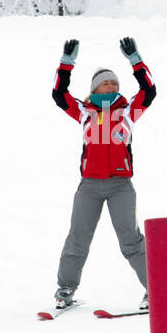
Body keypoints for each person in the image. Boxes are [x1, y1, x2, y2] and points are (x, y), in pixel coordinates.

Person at [51, 37, 155, 310]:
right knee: (77, 238)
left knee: (131, 241)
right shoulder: (84, 111)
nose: (112, 86)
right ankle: (65, 288)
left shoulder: (129, 109)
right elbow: (59, 95)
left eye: (115, 83)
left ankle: (154, 288)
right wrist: (66, 63)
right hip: (89, 186)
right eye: (106, 83)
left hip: (121, 185)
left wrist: (135, 60)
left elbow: (149, 89)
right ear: (95, 88)